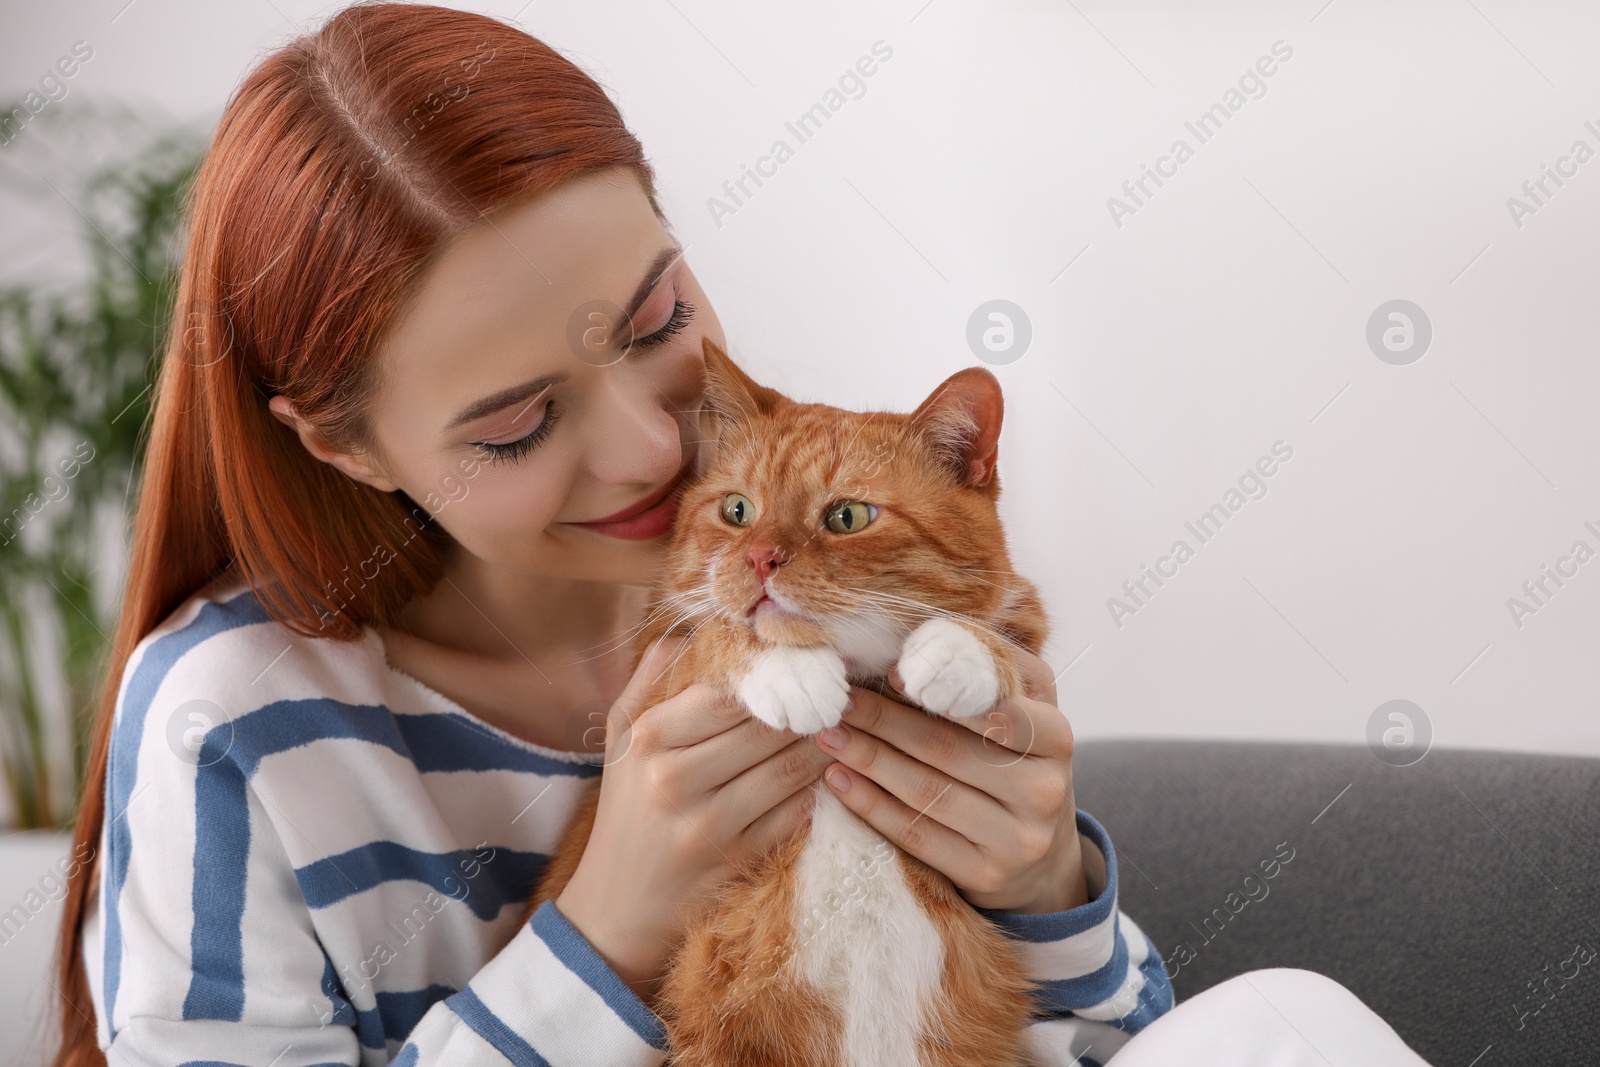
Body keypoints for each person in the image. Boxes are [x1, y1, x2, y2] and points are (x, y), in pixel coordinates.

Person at [47, 5, 1430, 1066]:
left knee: (1285, 1026)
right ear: (342, 443)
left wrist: (1048, 886)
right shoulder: (236, 728)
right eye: (519, 424)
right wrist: (607, 925)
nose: (658, 447)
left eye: (657, 323)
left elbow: (1108, 1039)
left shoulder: (835, 567)